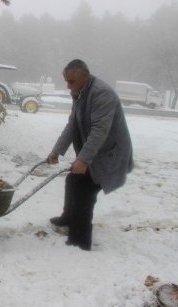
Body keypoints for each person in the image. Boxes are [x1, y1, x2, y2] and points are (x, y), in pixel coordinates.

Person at [47, 59, 133, 250]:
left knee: (84, 190)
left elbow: (99, 131)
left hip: (110, 153)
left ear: (84, 77)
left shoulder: (102, 94)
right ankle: (68, 218)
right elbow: (72, 125)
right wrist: (57, 150)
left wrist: (83, 159)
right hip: (95, 150)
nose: (68, 86)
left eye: (71, 81)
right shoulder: (79, 92)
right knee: (73, 180)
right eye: (66, 81)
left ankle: (80, 241)